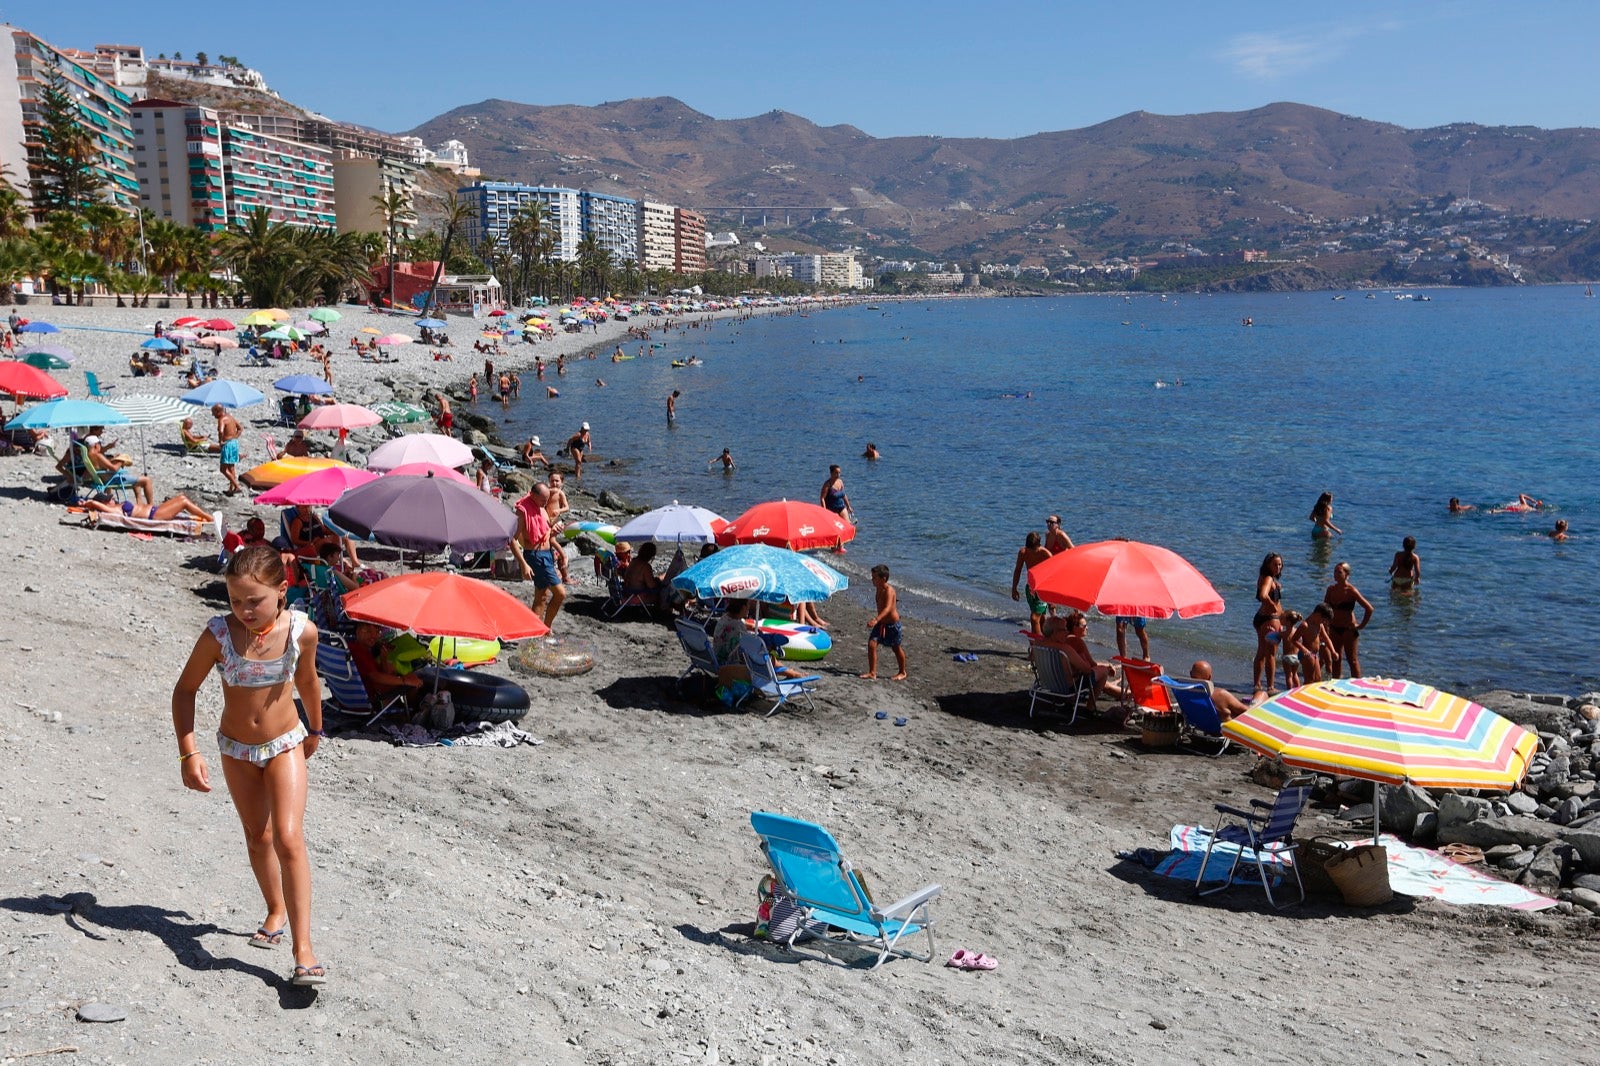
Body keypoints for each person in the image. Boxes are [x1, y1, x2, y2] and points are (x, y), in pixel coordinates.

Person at [170, 544, 327, 987]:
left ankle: (304, 950)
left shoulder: (302, 631)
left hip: (284, 743)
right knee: (258, 838)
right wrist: (189, 751)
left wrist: (315, 729)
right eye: (235, 600)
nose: (243, 610)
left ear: (282, 591)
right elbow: (185, 691)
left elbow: (309, 681)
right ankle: (274, 908)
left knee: (288, 837)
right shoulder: (218, 635)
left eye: (253, 600)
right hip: (236, 749)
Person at [513, 483, 566, 628]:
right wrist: (523, 564)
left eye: (547, 499)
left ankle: (534, 629)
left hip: (547, 554)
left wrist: (554, 529)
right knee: (560, 593)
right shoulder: (522, 511)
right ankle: (546, 629)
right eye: (543, 500)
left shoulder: (541, 507)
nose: (546, 503)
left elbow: (546, 530)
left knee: (541, 597)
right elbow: (512, 539)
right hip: (535, 556)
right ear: (532, 495)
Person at [350, 622, 423, 704]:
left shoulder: (353, 648)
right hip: (371, 699)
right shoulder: (358, 652)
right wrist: (404, 680)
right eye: (368, 631)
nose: (373, 636)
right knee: (413, 682)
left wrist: (383, 658)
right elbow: (376, 677)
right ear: (357, 631)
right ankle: (410, 711)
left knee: (397, 671)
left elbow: (382, 673)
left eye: (377, 632)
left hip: (355, 697)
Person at [1324, 562, 1374, 678]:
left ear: (1347, 575)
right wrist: (1324, 627)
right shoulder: (1331, 589)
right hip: (1334, 628)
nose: (1336, 574)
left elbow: (1369, 608)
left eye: (1339, 572)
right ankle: (1336, 685)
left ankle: (1357, 686)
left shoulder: (1351, 591)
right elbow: (1325, 609)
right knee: (1336, 658)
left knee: (1352, 660)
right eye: (1335, 571)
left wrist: (1361, 625)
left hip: (1348, 630)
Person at [860, 563, 906, 681]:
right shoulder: (878, 589)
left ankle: (902, 672)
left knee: (896, 648)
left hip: (892, 624)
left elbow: (888, 608)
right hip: (881, 623)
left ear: (883, 579)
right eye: (872, 577)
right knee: (872, 644)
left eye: (875, 578)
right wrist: (878, 621)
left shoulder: (889, 590)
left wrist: (876, 619)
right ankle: (872, 672)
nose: (872, 580)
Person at [1010, 531, 1054, 638]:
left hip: (1043, 589)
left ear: (1039, 545)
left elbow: (1054, 575)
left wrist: (1052, 599)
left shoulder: (1046, 554)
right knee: (1041, 618)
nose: (1033, 552)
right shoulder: (1023, 553)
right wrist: (1014, 588)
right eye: (1030, 549)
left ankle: (1036, 644)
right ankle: (1044, 643)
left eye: (1034, 549)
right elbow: (1018, 570)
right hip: (1030, 588)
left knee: (1034, 618)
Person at [1252, 553, 1284, 693]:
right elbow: (1263, 596)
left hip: (1261, 618)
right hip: (1269, 619)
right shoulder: (1269, 579)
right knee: (1271, 654)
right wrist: (1272, 605)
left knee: (1261, 652)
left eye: (1280, 564)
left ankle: (1257, 684)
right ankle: (1270, 686)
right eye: (1275, 564)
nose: (1278, 567)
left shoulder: (1265, 578)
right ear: (1267, 565)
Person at [82, 491, 213, 524]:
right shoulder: (113, 510)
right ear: (104, 504)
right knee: (183, 501)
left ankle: (206, 516)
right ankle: (209, 518)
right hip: (154, 516)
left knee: (181, 497)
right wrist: (87, 503)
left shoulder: (116, 506)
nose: (112, 499)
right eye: (108, 500)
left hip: (156, 510)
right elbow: (94, 504)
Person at [213, 403, 242, 496]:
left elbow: (221, 431)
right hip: (234, 443)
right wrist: (235, 437)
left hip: (227, 444)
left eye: (214, 412)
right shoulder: (230, 417)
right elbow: (240, 428)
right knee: (231, 467)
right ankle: (231, 489)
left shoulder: (222, 420)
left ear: (218, 411)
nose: (213, 415)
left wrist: (221, 441)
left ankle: (237, 486)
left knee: (223, 469)